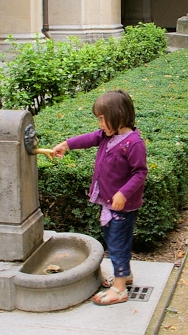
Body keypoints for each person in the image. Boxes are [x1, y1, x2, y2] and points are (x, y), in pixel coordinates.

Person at [50, 90, 148, 306]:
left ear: (118, 115)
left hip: (122, 206)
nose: (100, 124)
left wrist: (123, 192)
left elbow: (140, 172)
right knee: (115, 240)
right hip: (109, 204)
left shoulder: (133, 144)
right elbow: (88, 138)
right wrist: (66, 145)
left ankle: (120, 289)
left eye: (102, 119)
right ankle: (125, 275)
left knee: (117, 244)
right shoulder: (109, 136)